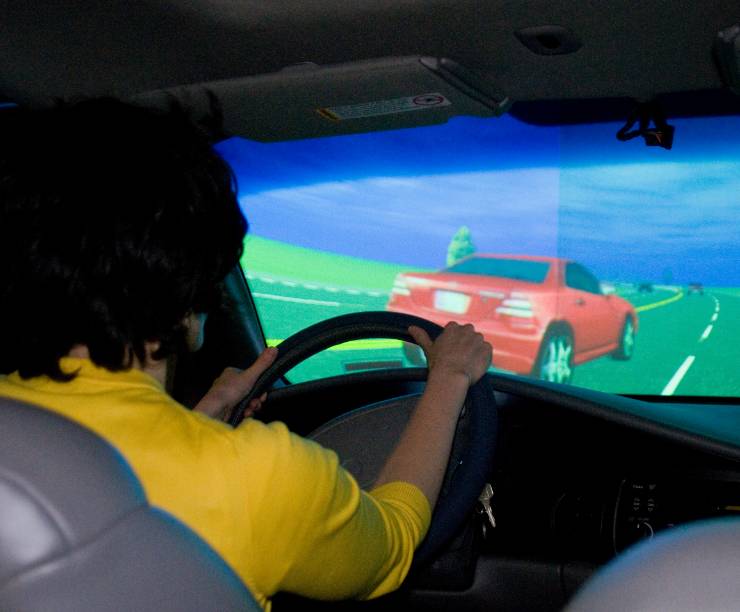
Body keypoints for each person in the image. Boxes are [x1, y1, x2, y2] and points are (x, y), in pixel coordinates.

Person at [0, 99, 492, 610]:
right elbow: (394, 540)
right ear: (188, 302)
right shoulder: (260, 477)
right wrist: (449, 379)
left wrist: (202, 418)